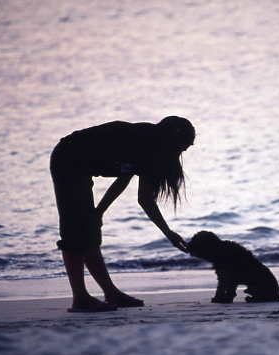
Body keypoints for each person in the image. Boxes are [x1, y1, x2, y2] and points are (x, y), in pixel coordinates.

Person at [50, 116, 194, 312]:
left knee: (88, 231)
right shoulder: (144, 142)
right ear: (171, 140)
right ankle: (80, 298)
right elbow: (142, 197)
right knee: (75, 232)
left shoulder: (152, 149)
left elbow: (131, 185)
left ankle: (111, 293)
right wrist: (168, 233)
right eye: (181, 148)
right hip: (67, 158)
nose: (179, 154)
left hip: (82, 168)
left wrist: (99, 212)